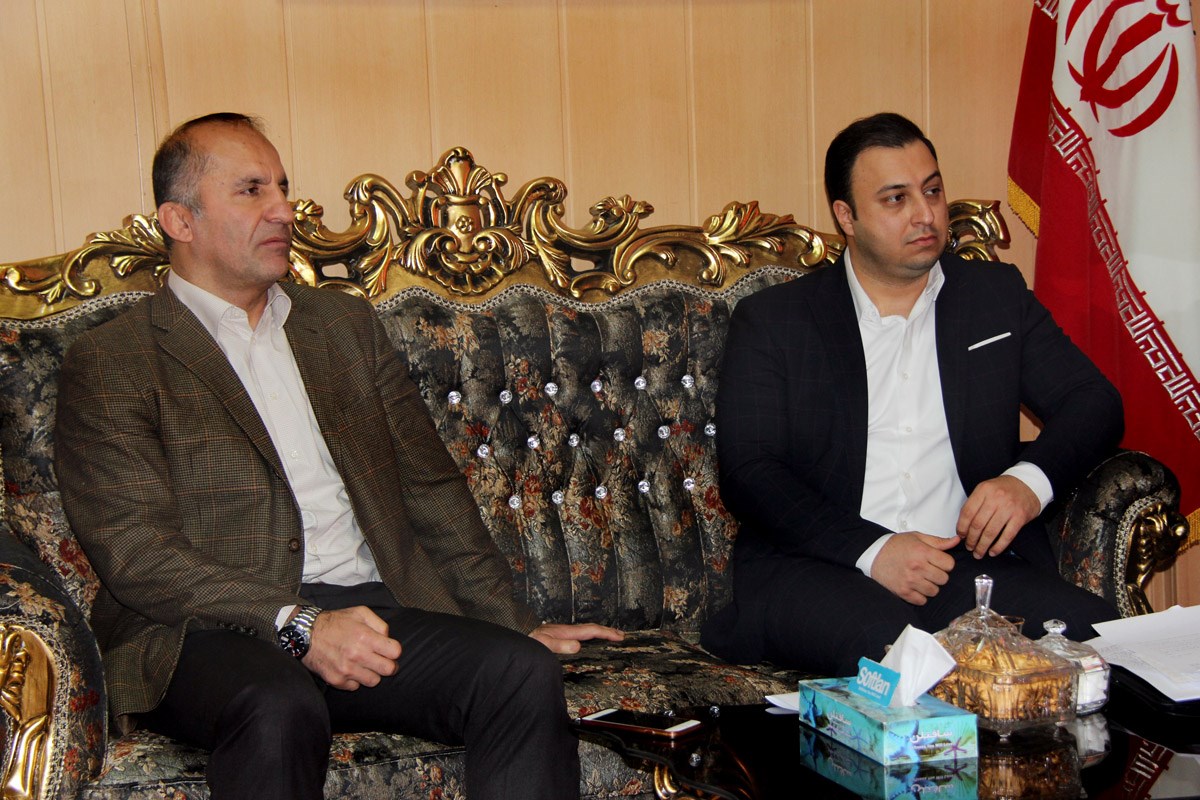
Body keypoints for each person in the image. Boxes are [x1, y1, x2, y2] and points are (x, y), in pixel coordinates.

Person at [54, 112, 622, 800]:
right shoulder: (114, 360)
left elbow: (429, 489)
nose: (283, 210)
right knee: (278, 705)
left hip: (370, 610)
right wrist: (299, 623)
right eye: (252, 190)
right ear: (180, 221)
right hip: (204, 633)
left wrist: (516, 623)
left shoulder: (342, 325)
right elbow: (136, 551)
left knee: (518, 671)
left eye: (283, 187)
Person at [700, 112, 1121, 676]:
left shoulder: (992, 297)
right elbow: (751, 471)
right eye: (896, 199)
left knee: (1104, 646)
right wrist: (874, 550)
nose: (925, 215)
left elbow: (1093, 401)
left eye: (933, 191)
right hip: (820, 567)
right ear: (846, 217)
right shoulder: (777, 321)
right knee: (907, 665)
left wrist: (1027, 482)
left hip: (961, 567)